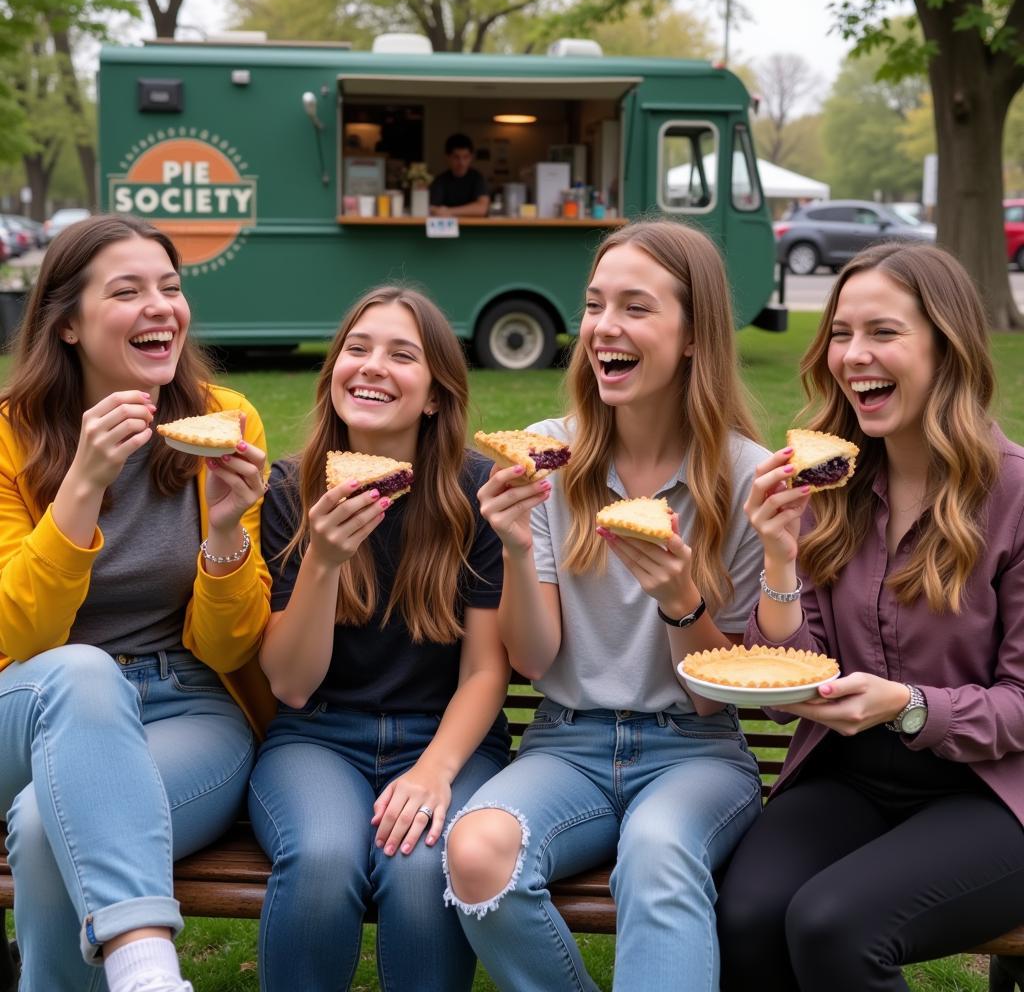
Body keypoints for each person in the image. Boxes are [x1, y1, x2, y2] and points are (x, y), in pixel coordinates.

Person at [443, 220, 766, 992]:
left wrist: (680, 601)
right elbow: (532, 659)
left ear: (694, 336)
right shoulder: (547, 456)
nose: (603, 329)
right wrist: (517, 545)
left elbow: (714, 698)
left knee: (659, 848)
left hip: (695, 749)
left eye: (636, 307)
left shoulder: (747, 481)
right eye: (593, 306)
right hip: (566, 744)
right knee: (477, 849)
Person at [716, 242, 1024, 991]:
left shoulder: (1014, 494)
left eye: (883, 332)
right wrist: (780, 557)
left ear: (945, 348)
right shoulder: (830, 485)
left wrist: (912, 707)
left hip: (991, 793)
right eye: (841, 335)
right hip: (849, 776)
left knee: (833, 924)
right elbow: (793, 679)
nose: (853, 356)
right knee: (748, 913)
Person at [0, 213, 273, 992]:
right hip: (28, 703)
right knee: (80, 669)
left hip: (184, 704)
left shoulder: (225, 419)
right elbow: (22, 636)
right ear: (67, 327)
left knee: (43, 828)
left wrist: (224, 534)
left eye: (171, 287)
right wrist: (82, 484)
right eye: (128, 292)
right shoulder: (10, 438)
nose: (162, 307)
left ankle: (141, 976)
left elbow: (226, 650)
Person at [249, 285, 511, 990]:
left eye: (401, 355)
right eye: (356, 349)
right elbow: (292, 684)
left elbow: (487, 672)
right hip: (317, 737)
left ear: (433, 395)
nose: (370, 366)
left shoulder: (474, 495)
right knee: (324, 857)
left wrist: (432, 772)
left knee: (425, 866)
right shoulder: (289, 491)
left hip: (446, 738)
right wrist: (324, 561)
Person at [429, 134, 490, 217]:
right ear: (447, 157)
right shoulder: (440, 180)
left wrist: (449, 211)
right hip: (447, 228)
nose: (461, 163)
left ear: (471, 157)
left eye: (466, 157)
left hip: (473, 227)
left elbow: (482, 208)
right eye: (456, 157)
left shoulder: (477, 178)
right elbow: (432, 208)